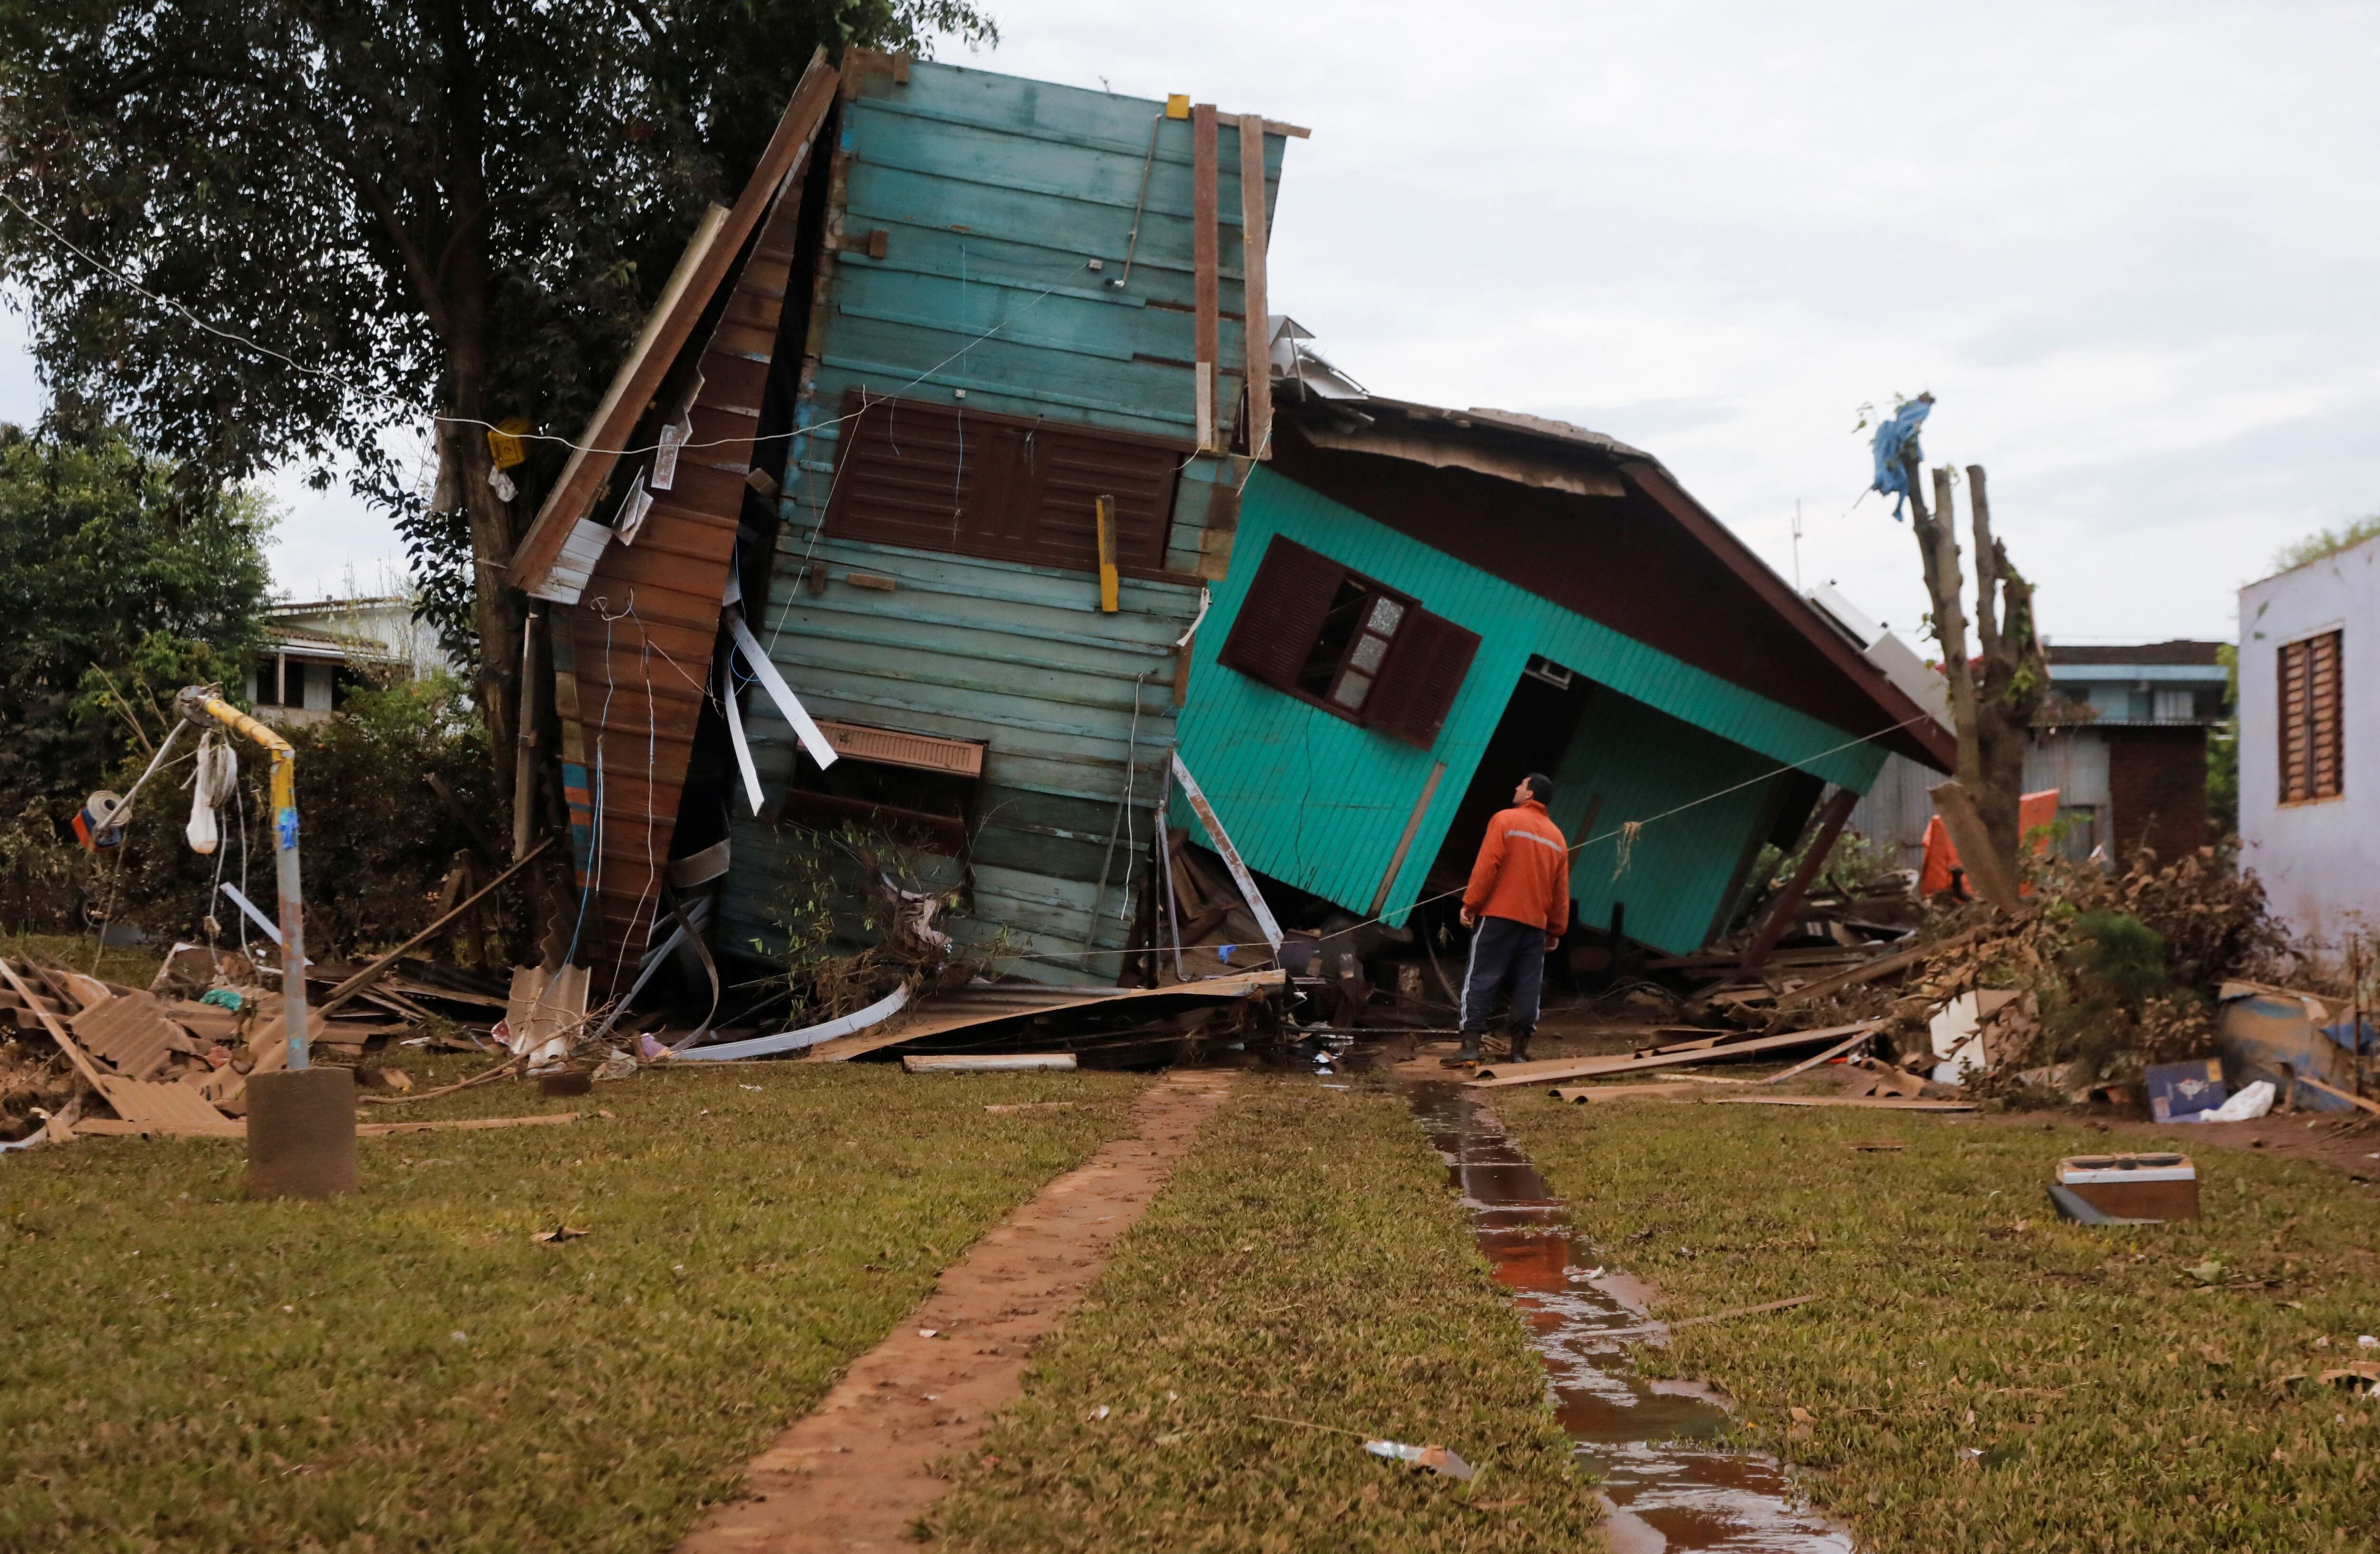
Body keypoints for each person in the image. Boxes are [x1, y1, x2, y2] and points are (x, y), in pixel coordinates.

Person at [1446, 772, 1569, 1066]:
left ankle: (1470, 1048)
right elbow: (1561, 890)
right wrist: (1556, 929)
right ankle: (1518, 1052)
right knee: (1528, 985)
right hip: (1535, 926)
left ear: (1529, 794)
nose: (1515, 787)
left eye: (1520, 784)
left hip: (1498, 917)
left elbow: (1487, 865)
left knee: (1481, 978)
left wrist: (1471, 903)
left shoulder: (1505, 820)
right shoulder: (1557, 838)